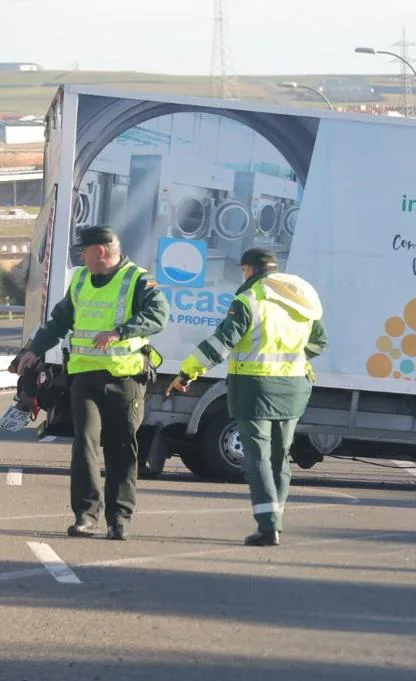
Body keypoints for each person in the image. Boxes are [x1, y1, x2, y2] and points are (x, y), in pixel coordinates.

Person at [15, 225, 170, 540]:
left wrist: (121, 331)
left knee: (121, 446)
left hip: (125, 379)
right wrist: (34, 350)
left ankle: (119, 519)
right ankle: (86, 516)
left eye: (83, 251)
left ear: (100, 251)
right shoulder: (82, 280)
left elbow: (159, 315)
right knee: (84, 444)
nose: (81, 256)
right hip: (85, 378)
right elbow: (59, 321)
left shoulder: (139, 280)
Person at [167, 248, 327, 546]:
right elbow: (320, 341)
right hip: (293, 387)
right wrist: (293, 360)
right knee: (280, 458)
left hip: (256, 389)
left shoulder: (249, 301)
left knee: (258, 458)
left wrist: (187, 373)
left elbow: (220, 343)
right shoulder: (300, 300)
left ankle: (268, 526)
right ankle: (275, 518)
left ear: (250, 270)